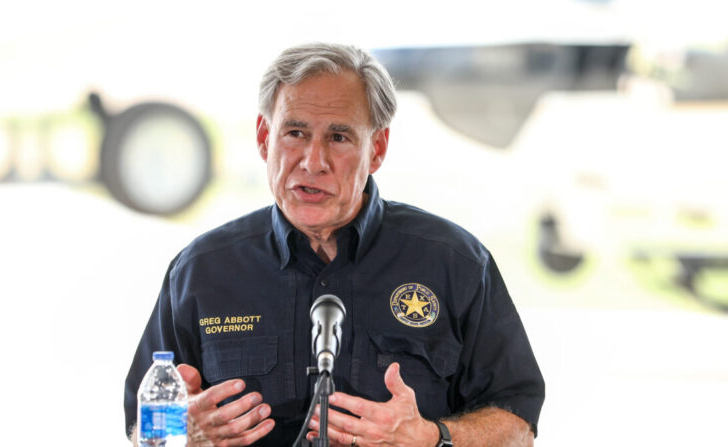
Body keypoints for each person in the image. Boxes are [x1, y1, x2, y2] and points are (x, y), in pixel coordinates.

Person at [124, 42, 544, 446]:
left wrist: (433, 438)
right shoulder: (201, 271)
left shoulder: (455, 263)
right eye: (295, 132)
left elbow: (517, 427)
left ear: (376, 148)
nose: (313, 161)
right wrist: (180, 436)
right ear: (263, 137)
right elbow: (143, 429)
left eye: (339, 137)